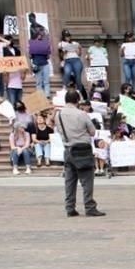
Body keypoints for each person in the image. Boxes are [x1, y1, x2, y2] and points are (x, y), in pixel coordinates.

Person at [55, 89, 105, 217]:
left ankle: (70, 207)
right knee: (87, 180)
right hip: (82, 149)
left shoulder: (58, 115)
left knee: (70, 180)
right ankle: (89, 206)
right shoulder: (82, 114)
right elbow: (93, 132)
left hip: (67, 149)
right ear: (77, 100)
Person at [58, 30, 87, 101]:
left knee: (78, 78)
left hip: (76, 60)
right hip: (67, 60)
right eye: (66, 36)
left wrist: (78, 51)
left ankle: (80, 94)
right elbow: (60, 55)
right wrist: (64, 52)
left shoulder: (75, 43)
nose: (67, 38)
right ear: (63, 37)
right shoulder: (61, 44)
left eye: (68, 36)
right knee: (67, 72)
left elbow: (80, 53)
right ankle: (65, 88)